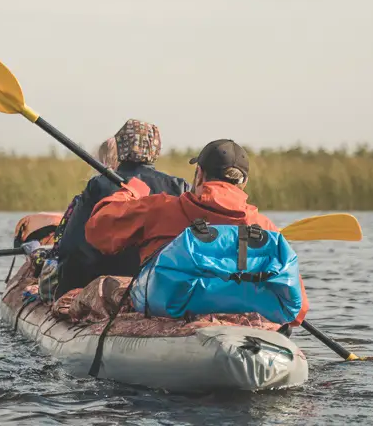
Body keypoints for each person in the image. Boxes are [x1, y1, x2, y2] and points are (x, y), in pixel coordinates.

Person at [84, 138, 308, 327]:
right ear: (244, 183)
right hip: (246, 327)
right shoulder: (264, 227)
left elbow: (97, 231)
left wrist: (129, 193)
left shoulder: (159, 208)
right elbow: (298, 312)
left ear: (199, 174)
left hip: (167, 310)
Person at [38, 119, 191, 299]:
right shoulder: (178, 187)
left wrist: (67, 291)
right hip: (158, 287)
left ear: (120, 146)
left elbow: (75, 247)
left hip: (103, 285)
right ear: (155, 149)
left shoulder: (99, 185)